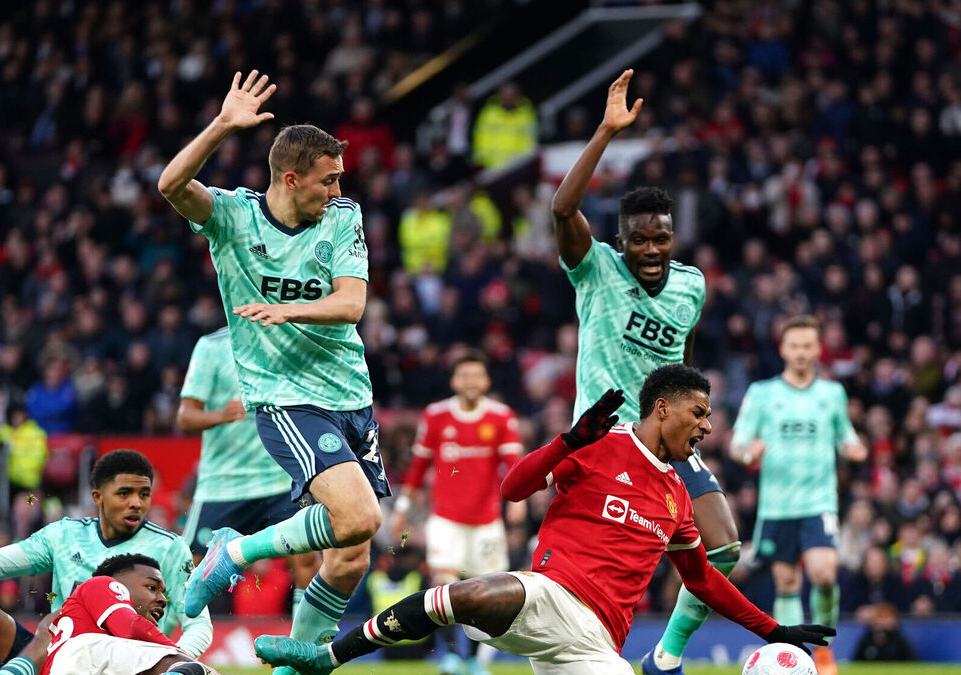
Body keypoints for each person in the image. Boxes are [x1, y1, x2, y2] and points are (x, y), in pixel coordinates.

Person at [254, 366, 835, 675]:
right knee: (468, 593)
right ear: (663, 408)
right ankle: (327, 658)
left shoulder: (678, 497)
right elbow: (513, 489)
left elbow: (703, 579)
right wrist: (568, 441)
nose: (707, 426)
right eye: (699, 412)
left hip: (596, 643)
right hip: (548, 594)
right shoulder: (601, 443)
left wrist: (772, 630)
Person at [157, 69, 386, 657]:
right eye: (328, 179)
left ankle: (294, 664)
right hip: (286, 397)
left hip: (351, 394)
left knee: (351, 555)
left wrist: (288, 310)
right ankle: (233, 552)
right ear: (291, 178)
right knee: (360, 518)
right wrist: (220, 126)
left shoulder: (343, 216)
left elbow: (352, 303)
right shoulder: (233, 217)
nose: (337, 189)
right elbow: (170, 184)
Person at [548, 69, 741, 675]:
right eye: (639, 240)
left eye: (661, 239)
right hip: (606, 440)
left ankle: (665, 656)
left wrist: (694, 417)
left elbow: (682, 363)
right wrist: (606, 132)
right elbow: (562, 207)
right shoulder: (595, 269)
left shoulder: (691, 285)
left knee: (724, 546)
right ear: (621, 239)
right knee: (599, 570)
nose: (651, 250)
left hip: (666, 439)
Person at [0, 450, 211, 675]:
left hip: (125, 664)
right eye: (125, 493)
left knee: (53, 622)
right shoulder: (63, 535)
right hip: (57, 659)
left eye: (144, 494)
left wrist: (173, 662)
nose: (137, 503)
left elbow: (199, 625)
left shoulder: (170, 548)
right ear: (97, 497)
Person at [729, 315, 867, 675]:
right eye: (795, 345)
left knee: (824, 574)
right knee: (787, 582)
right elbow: (737, 443)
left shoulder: (832, 394)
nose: (801, 352)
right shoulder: (762, 393)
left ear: (818, 349)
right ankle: (794, 656)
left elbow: (845, 434)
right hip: (777, 506)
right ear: (783, 349)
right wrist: (748, 453)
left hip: (818, 501)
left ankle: (824, 650)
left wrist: (854, 447)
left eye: (807, 345)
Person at [388, 350, 524, 675]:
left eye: (477, 375)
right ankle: (451, 657)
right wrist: (402, 508)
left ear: (487, 381)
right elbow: (418, 466)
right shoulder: (436, 416)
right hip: (446, 519)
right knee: (443, 585)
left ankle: (474, 660)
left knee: (485, 594)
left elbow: (515, 465)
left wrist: (518, 501)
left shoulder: (501, 416)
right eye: (464, 375)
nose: (470, 381)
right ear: (453, 381)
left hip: (487, 521)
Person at [176, 327, 320, 601]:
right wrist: (222, 415)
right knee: (189, 571)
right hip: (223, 483)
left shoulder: (288, 337)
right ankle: (181, 630)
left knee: (307, 561)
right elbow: (185, 417)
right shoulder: (211, 346)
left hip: (281, 479)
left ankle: (307, 630)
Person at [42, 554, 219, 675]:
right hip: (81, 655)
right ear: (119, 585)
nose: (163, 600)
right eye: (152, 587)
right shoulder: (101, 583)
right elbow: (131, 627)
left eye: (163, 593)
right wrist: (184, 658)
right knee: (187, 666)